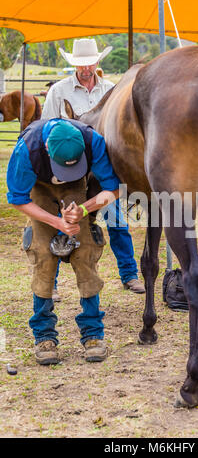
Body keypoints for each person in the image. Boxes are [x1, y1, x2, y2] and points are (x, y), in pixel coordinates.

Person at [7, 118, 122, 365]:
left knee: (85, 252)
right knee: (42, 256)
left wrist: (84, 209)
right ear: (47, 149)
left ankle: (93, 333)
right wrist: (56, 222)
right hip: (39, 189)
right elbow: (17, 198)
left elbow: (113, 189)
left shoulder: (93, 140)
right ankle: (44, 335)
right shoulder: (27, 148)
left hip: (76, 188)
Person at [42, 38, 145, 298]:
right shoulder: (59, 91)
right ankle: (50, 281)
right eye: (80, 64)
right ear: (74, 65)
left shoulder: (111, 91)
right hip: (70, 172)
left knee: (117, 222)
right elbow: (45, 128)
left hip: (104, 168)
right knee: (62, 221)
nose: (86, 68)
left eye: (90, 63)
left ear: (97, 62)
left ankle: (129, 274)